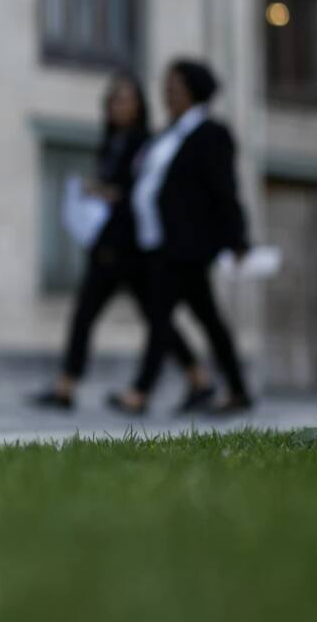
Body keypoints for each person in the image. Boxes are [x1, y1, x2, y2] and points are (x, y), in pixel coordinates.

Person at [31, 71, 213, 412]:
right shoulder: (110, 142)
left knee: (159, 321)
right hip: (107, 245)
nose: (116, 106)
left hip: (133, 250)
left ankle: (192, 380)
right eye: (112, 99)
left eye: (124, 100)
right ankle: (67, 385)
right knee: (89, 314)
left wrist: (106, 192)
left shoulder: (145, 144)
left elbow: (143, 194)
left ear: (139, 106)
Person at [109, 59, 254, 416]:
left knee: (160, 316)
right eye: (167, 86)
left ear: (194, 90)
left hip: (187, 244)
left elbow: (225, 190)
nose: (167, 93)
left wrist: (237, 238)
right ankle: (234, 388)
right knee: (207, 318)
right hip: (158, 241)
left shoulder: (211, 133)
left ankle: (141, 392)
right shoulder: (168, 134)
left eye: (175, 86)